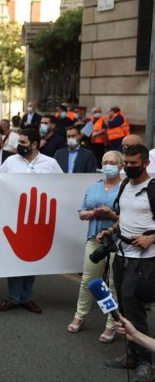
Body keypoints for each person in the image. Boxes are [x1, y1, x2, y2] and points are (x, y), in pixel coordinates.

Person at [98, 144, 155, 381]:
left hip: (144, 260)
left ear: (145, 163)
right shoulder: (124, 185)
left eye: (134, 163)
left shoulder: (152, 188)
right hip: (121, 255)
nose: (130, 167)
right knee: (121, 304)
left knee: (134, 307)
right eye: (127, 163)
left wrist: (151, 237)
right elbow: (124, 217)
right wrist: (110, 230)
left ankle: (145, 362)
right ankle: (131, 354)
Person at [0, 128, 63, 314]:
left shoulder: (50, 164)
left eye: (24, 143)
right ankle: (13, 297)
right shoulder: (10, 161)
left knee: (32, 256)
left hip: (38, 218)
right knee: (14, 257)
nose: (20, 146)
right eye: (19, 142)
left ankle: (27, 297)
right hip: (14, 216)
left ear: (35, 144)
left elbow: (63, 186)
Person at [68, 151, 123, 343]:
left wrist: (113, 216)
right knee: (88, 281)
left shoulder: (126, 188)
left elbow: (131, 217)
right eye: (105, 162)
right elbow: (82, 213)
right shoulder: (94, 187)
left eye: (113, 162)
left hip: (118, 242)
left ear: (121, 166)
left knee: (113, 284)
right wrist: (94, 213)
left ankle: (111, 324)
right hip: (95, 239)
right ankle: (80, 316)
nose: (108, 165)